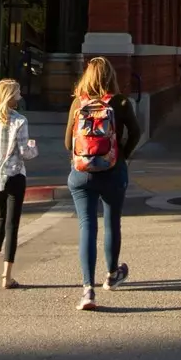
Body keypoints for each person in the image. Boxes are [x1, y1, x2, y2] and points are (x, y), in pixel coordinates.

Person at [64, 56, 140, 310]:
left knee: (87, 226)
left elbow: (67, 143)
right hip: (113, 170)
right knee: (111, 222)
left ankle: (88, 290)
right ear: (111, 77)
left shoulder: (78, 102)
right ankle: (111, 274)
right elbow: (137, 132)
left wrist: (83, 158)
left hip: (82, 174)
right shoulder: (120, 102)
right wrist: (122, 155)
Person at [0, 77, 39, 289]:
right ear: (11, 97)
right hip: (14, 176)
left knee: (0, 218)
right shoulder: (20, 121)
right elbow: (24, 153)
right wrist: (33, 147)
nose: (20, 96)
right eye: (18, 93)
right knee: (13, 224)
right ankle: (7, 276)